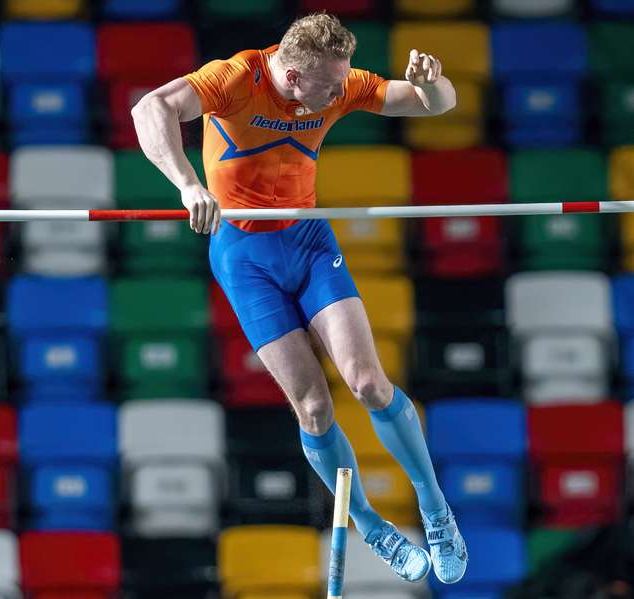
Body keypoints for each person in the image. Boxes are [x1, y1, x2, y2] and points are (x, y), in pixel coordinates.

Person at [130, 11, 465, 585]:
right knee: (312, 405)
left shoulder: (340, 83)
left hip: (308, 240)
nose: (342, 92)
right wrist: (188, 186)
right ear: (289, 76)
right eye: (330, 85)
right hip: (244, 256)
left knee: (368, 382)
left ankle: (436, 512)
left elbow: (435, 105)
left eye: (343, 82)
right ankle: (370, 525)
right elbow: (148, 109)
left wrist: (433, 83)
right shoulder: (235, 78)